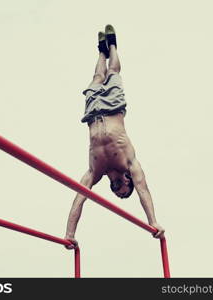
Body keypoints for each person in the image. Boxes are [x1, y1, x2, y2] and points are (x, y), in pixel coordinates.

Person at [64, 25, 165, 249]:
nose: (117, 189)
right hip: (112, 107)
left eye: (116, 191)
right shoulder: (130, 162)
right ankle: (112, 45)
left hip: (92, 113)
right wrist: (153, 222)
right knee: (113, 73)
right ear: (127, 181)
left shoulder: (94, 172)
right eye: (121, 189)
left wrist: (69, 233)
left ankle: (101, 50)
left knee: (97, 77)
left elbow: (79, 198)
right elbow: (144, 191)